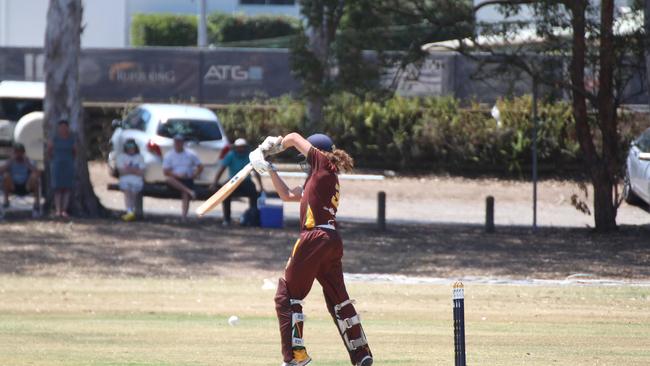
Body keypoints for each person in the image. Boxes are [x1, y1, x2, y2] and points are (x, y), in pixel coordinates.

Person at [249, 133, 373, 366]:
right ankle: (361, 354)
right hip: (331, 240)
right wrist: (268, 167)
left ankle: (295, 357)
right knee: (338, 300)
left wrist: (272, 146)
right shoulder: (321, 177)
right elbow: (287, 195)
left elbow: (295, 137)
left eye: (305, 157)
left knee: (286, 296)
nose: (303, 162)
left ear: (317, 152)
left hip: (314, 237)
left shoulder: (323, 164)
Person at [211, 138, 264, 226]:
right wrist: (215, 183)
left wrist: (260, 185)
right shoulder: (230, 155)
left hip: (246, 181)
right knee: (225, 195)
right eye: (239, 147)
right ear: (236, 147)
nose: (241, 149)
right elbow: (221, 169)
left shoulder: (249, 156)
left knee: (254, 194)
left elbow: (256, 171)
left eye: (243, 147)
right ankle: (226, 219)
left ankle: (252, 219)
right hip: (233, 181)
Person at [162, 134, 203, 219]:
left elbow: (200, 166)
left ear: (183, 143)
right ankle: (190, 191)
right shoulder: (169, 155)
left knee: (184, 193)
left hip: (187, 179)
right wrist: (176, 174)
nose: (178, 143)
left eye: (180, 142)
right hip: (175, 179)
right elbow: (165, 171)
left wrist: (194, 175)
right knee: (169, 179)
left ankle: (184, 216)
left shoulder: (191, 154)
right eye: (176, 142)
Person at [1, 143, 41, 217]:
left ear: (23, 153)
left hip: (26, 186)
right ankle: (6, 202)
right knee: (6, 176)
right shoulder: (10, 161)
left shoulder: (29, 161)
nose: (18, 154)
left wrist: (28, 164)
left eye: (20, 152)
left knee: (34, 177)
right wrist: (9, 163)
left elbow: (38, 174)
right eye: (16, 152)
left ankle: (36, 205)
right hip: (13, 186)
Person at [48, 119, 76, 218]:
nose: (63, 129)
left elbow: (74, 152)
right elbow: (49, 151)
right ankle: (58, 210)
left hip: (68, 165)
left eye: (65, 127)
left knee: (66, 188)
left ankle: (64, 210)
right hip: (57, 165)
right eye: (61, 127)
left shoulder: (71, 139)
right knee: (57, 188)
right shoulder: (54, 139)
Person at [117, 139, 145, 222]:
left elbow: (141, 172)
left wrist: (128, 169)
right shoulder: (121, 157)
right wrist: (135, 170)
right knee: (127, 191)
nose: (130, 149)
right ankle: (130, 212)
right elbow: (121, 171)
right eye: (128, 147)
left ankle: (130, 212)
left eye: (132, 147)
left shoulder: (140, 157)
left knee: (133, 192)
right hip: (125, 180)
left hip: (137, 181)